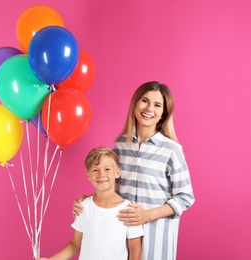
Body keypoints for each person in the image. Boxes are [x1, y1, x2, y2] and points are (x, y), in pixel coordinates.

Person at [72, 81, 195, 260]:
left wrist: (147, 215)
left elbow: (186, 197)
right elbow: (110, 185)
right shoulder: (120, 145)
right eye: (144, 101)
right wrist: (87, 202)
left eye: (157, 105)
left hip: (157, 241)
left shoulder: (171, 150)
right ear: (135, 103)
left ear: (163, 113)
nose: (149, 109)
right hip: (121, 239)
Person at [38, 147, 143, 260]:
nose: (101, 174)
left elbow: (135, 250)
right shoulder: (83, 207)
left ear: (117, 173)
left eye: (107, 169)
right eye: (95, 170)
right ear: (88, 175)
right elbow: (75, 244)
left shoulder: (129, 211)